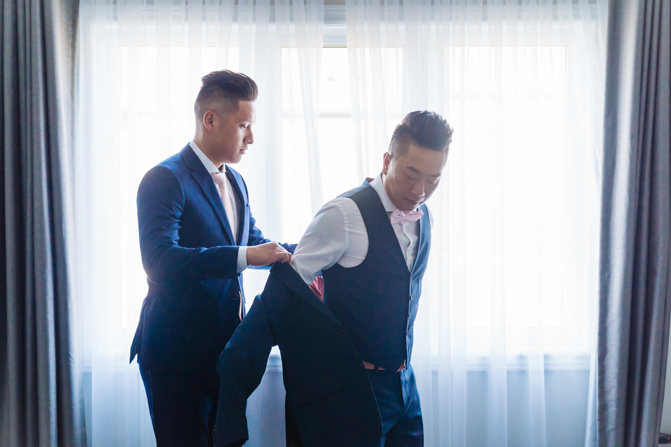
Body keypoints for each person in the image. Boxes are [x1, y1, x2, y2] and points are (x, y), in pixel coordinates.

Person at [215, 111, 453, 447]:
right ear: (387, 161)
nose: (420, 191)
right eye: (411, 175)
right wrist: (235, 373)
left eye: (433, 180)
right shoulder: (343, 215)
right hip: (351, 394)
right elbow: (283, 294)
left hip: (404, 389)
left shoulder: (425, 216)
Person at [129, 70, 294, 447]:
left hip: (225, 355)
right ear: (210, 119)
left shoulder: (236, 181)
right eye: (244, 126)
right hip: (176, 359)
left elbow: (254, 243)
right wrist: (245, 255)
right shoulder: (164, 179)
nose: (251, 138)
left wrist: (317, 248)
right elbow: (160, 261)